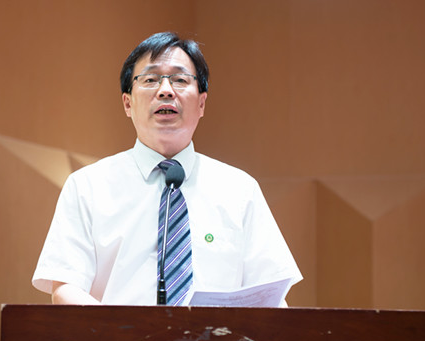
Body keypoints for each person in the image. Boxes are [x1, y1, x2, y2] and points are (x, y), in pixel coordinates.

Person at [32, 31, 302, 305]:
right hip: (115, 334)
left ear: (201, 103)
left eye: (180, 80)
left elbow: (271, 295)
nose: (165, 91)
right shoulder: (87, 186)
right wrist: (124, 330)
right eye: (150, 80)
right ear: (128, 103)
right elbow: (66, 288)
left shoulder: (240, 190)